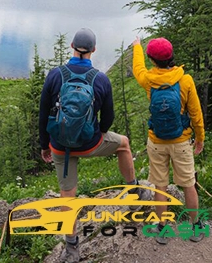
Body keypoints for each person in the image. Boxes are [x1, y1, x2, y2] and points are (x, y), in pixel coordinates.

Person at [40, 28, 143, 262]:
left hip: (60, 147)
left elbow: (43, 113)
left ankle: (72, 248)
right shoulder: (100, 79)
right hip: (90, 143)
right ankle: (133, 190)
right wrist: (97, 133)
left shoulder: (55, 75)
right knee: (124, 144)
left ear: (72, 46)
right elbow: (108, 119)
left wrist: (44, 145)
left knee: (67, 195)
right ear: (94, 50)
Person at [132, 36, 207, 244]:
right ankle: (195, 226)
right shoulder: (185, 80)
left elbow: (138, 68)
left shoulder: (148, 80)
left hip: (156, 142)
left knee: (160, 186)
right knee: (188, 184)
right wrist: (199, 138)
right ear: (172, 56)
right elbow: (196, 113)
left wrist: (137, 47)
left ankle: (163, 228)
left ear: (153, 60)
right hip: (181, 142)